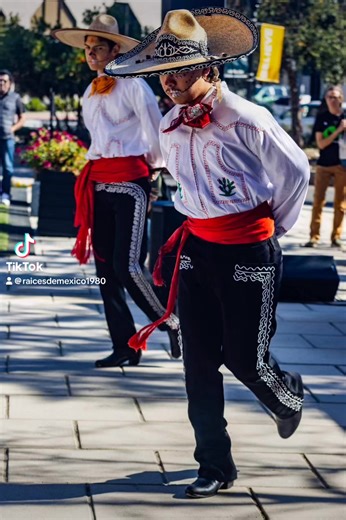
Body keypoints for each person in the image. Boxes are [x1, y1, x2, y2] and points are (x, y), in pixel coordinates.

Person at [105, 7, 310, 498]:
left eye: (178, 72)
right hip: (196, 248)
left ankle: (287, 398)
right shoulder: (171, 122)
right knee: (197, 362)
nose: (169, 84)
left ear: (208, 68)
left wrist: (267, 228)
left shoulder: (247, 118)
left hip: (248, 253)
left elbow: (296, 173)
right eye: (163, 75)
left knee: (244, 358)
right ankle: (214, 464)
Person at [52, 14, 182, 368]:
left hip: (130, 183)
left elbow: (155, 131)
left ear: (115, 50)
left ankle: (170, 321)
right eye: (88, 48)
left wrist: (154, 171)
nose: (91, 53)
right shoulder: (90, 91)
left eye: (98, 48)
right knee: (106, 268)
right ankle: (125, 346)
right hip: (99, 180)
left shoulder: (134, 86)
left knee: (128, 266)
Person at [304, 85, 346, 249]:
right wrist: (339, 130)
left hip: (342, 165)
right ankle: (314, 237)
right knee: (318, 202)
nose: (332, 100)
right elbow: (321, 144)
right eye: (329, 97)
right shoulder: (322, 118)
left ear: (341, 99)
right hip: (323, 165)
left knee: (340, 204)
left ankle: (336, 237)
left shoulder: (344, 117)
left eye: (335, 97)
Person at [0, 69, 25, 206]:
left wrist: (13, 129)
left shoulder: (15, 98)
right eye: (0, 81)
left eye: (4, 81)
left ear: (9, 83)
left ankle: (5, 193)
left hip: (7, 138)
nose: (2, 84)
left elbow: (23, 118)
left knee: (8, 168)